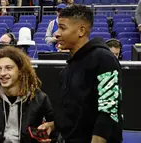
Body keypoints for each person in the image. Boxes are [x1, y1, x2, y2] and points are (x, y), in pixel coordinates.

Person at [38, 5, 122, 143]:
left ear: (81, 30)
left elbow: (109, 110)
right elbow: (76, 114)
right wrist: (54, 126)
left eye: (62, 28)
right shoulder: (69, 68)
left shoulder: (103, 59)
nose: (56, 34)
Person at [0, 46, 56, 143]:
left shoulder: (40, 99)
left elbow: (54, 132)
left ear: (20, 70)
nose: (2, 73)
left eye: (8, 68)